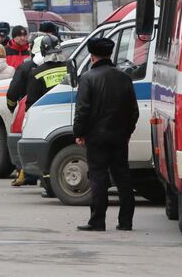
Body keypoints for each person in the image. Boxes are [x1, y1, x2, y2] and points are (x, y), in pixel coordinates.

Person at [73, 37, 139, 232]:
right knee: (123, 177)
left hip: (96, 137)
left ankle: (97, 221)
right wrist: (127, 132)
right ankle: (126, 221)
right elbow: (133, 111)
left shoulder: (87, 78)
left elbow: (82, 109)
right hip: (119, 136)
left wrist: (79, 132)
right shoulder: (124, 78)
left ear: (92, 57)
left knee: (98, 177)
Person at [6, 33, 46, 187]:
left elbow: (13, 92)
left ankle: (27, 175)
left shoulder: (26, 67)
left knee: (27, 140)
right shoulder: (61, 65)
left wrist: (12, 107)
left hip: (29, 109)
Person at [25, 35, 67, 110]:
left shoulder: (36, 74)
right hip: (68, 111)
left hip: (46, 114)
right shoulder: (71, 67)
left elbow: (31, 103)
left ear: (42, 51)